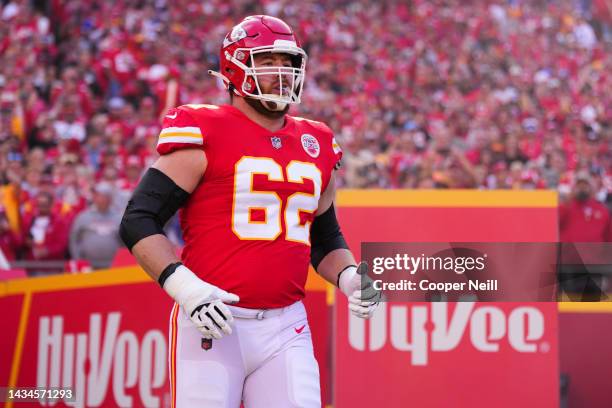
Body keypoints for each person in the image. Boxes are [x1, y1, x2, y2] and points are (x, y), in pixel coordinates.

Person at [120, 15, 381, 408]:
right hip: (211, 320)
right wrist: (186, 289)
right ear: (234, 66)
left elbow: (323, 237)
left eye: (287, 62)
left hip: (287, 326)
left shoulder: (318, 141)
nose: (281, 73)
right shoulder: (204, 130)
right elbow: (138, 219)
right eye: (267, 62)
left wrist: (348, 277)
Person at [69, 182, 123, 269]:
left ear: (110, 199)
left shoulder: (119, 218)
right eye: (98, 196)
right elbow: (74, 239)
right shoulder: (83, 217)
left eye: (103, 196)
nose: (100, 199)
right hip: (87, 266)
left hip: (113, 266)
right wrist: (78, 259)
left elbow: (125, 242)